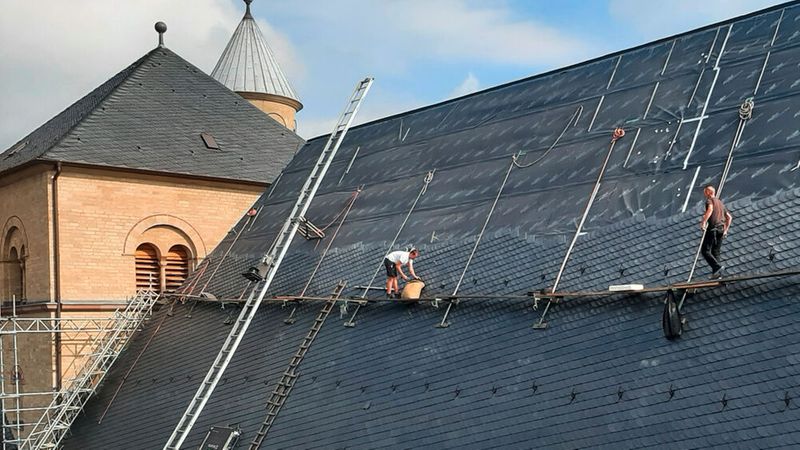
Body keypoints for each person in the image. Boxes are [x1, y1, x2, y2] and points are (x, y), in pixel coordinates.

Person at [699, 184, 732, 279]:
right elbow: (729, 217)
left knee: (705, 251)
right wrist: (726, 230)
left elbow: (710, 210)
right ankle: (717, 274)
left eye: (705, 192)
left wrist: (703, 222)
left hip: (713, 228)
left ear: (709, 193)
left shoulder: (710, 201)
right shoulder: (721, 203)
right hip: (721, 229)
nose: (704, 194)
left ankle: (717, 267)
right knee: (715, 251)